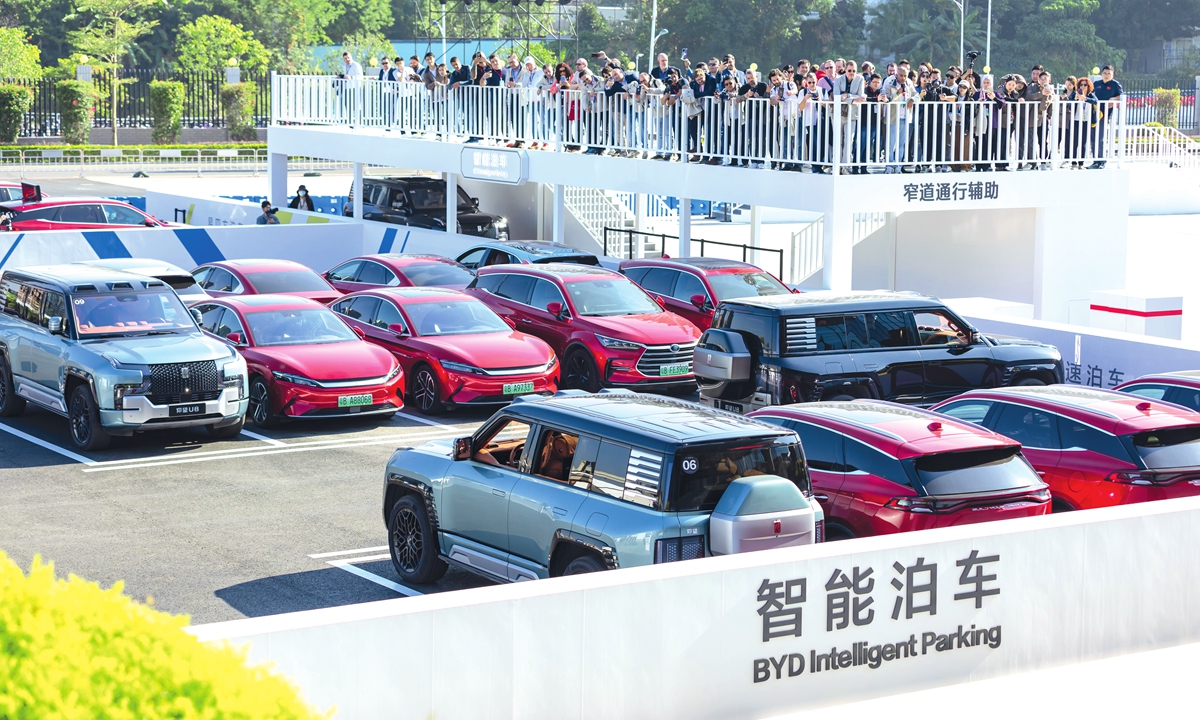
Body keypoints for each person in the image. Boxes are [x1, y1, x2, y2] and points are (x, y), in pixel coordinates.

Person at [1091, 64, 1121, 168]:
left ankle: (1102, 161)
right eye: (1105, 73)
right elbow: (1089, 94)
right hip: (1094, 113)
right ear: (1101, 74)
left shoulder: (1115, 84)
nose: (1106, 75)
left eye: (1109, 73)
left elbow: (1121, 96)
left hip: (1105, 114)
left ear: (1113, 75)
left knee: (1100, 138)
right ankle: (1095, 161)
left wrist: (1113, 99)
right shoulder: (1097, 84)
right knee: (1093, 138)